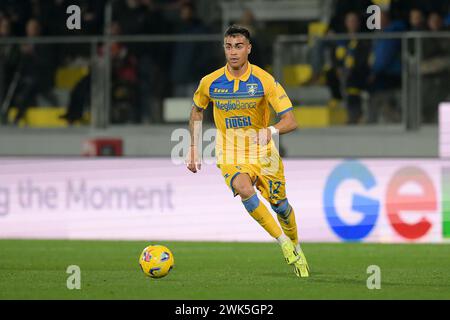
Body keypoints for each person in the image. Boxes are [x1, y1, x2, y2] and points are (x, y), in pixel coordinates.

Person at [186, 25, 309, 278]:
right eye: (229, 46)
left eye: (239, 46)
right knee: (244, 189)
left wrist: (271, 130)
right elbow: (197, 110)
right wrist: (193, 147)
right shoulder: (210, 82)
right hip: (230, 153)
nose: (233, 52)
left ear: (249, 49)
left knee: (281, 206)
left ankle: (296, 245)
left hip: (264, 154)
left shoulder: (264, 80)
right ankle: (282, 243)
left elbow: (291, 120)